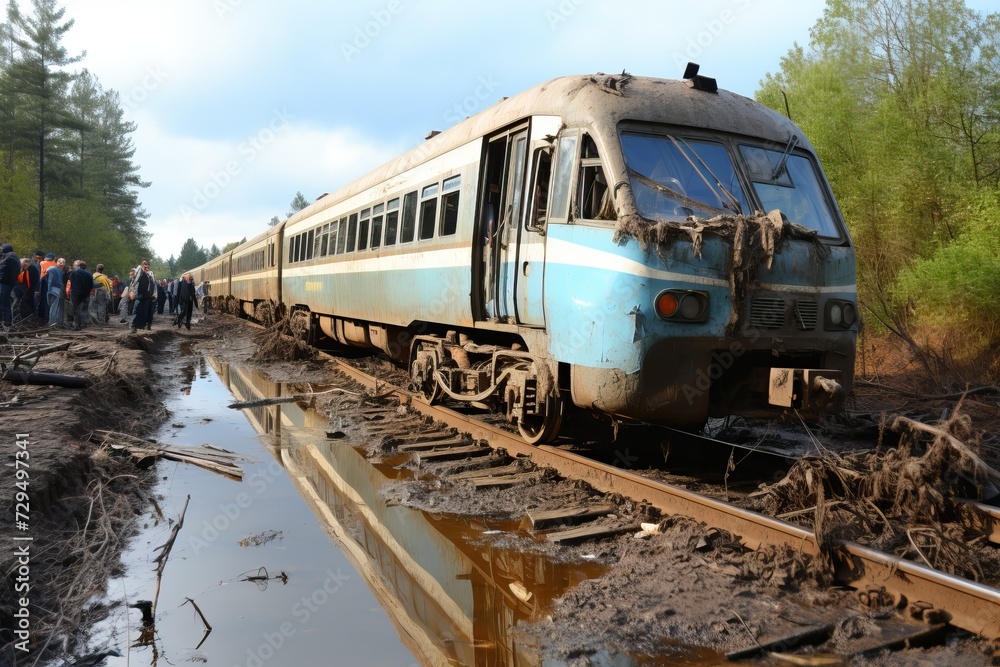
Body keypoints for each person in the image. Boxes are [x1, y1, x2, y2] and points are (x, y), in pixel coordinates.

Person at [130, 260, 155, 332]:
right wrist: (132, 291)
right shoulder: (140, 271)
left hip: (148, 296)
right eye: (144, 264)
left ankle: (146, 325)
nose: (145, 266)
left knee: (148, 312)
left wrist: (154, 295)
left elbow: (153, 285)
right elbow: (135, 280)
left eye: (146, 265)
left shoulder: (150, 275)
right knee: (138, 310)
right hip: (141, 295)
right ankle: (135, 325)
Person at [69, 260, 94, 330]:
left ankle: (77, 325)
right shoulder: (89, 274)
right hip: (86, 293)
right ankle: (84, 323)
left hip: (76, 293)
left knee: (76, 308)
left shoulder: (75, 272)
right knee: (84, 309)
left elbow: (70, 281)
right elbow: (91, 285)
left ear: (79, 266)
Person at [0, 244, 20, 327]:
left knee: (3, 304)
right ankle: (7, 322)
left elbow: (2, 270)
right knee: (6, 304)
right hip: (9, 283)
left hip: (5, 284)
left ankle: (5, 322)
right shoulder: (14, 257)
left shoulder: (8, 258)